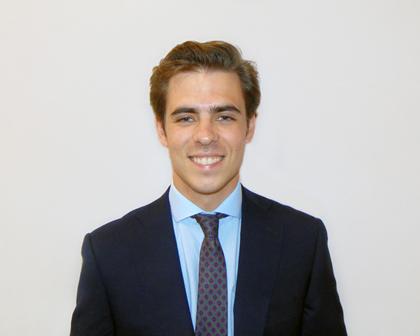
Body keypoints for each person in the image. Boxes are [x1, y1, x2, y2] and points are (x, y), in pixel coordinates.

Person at [70, 40, 347, 336]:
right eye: (186, 118)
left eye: (224, 117)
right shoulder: (108, 252)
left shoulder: (302, 242)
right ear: (162, 129)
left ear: (250, 126)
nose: (205, 135)